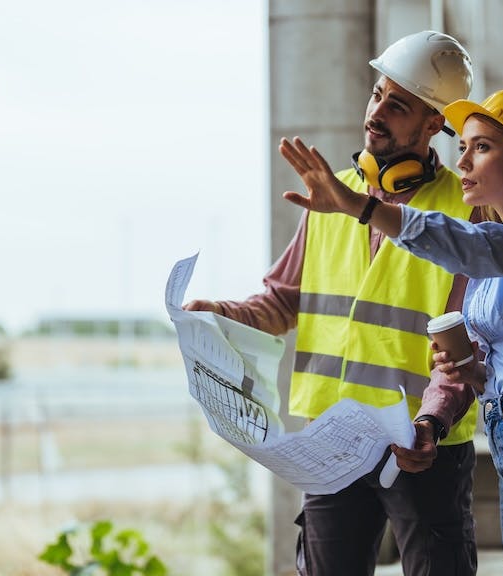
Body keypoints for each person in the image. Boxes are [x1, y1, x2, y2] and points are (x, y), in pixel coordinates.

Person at [278, 88, 503, 576]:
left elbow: (473, 245)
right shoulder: (499, 256)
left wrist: (363, 207)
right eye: (462, 147)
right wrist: (469, 368)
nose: (463, 160)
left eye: (482, 148)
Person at [185, 30, 479, 576]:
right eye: (376, 95)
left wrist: (433, 423)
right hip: (333, 441)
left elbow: (467, 342)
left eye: (399, 104)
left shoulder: (462, 214)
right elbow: (281, 301)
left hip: (421, 446)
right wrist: (220, 315)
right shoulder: (329, 196)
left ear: (434, 124)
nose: (377, 112)